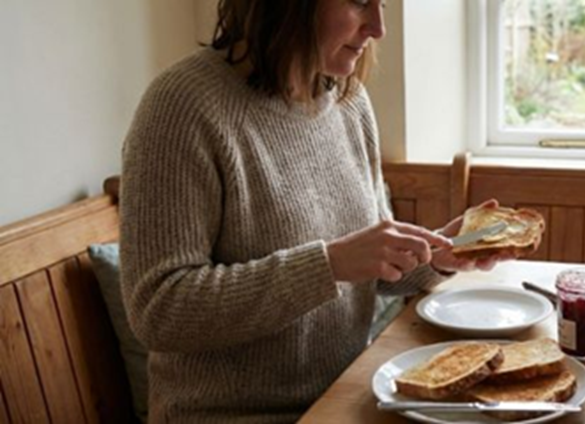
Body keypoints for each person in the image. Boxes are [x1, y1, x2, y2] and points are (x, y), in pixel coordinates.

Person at [118, 0, 520, 422]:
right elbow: (158, 310)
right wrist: (328, 265)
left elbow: (368, 267)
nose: (378, 28)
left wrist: (435, 256)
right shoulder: (180, 107)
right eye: (359, 2)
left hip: (344, 396)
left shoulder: (349, 102)